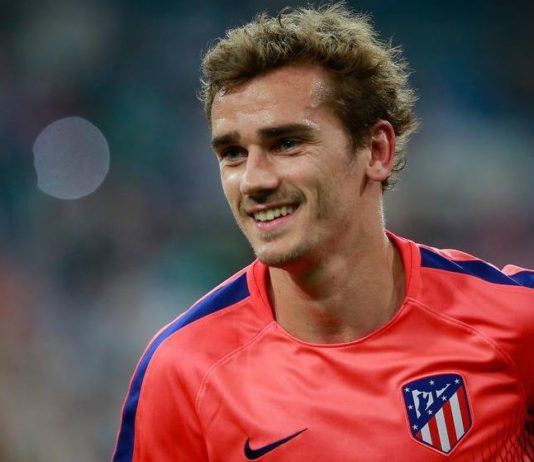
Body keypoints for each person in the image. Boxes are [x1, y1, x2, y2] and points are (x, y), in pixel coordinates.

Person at [112, 4, 534, 461]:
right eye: (233, 153)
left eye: (287, 143)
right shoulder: (184, 370)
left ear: (376, 150)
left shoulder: (514, 321)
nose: (253, 180)